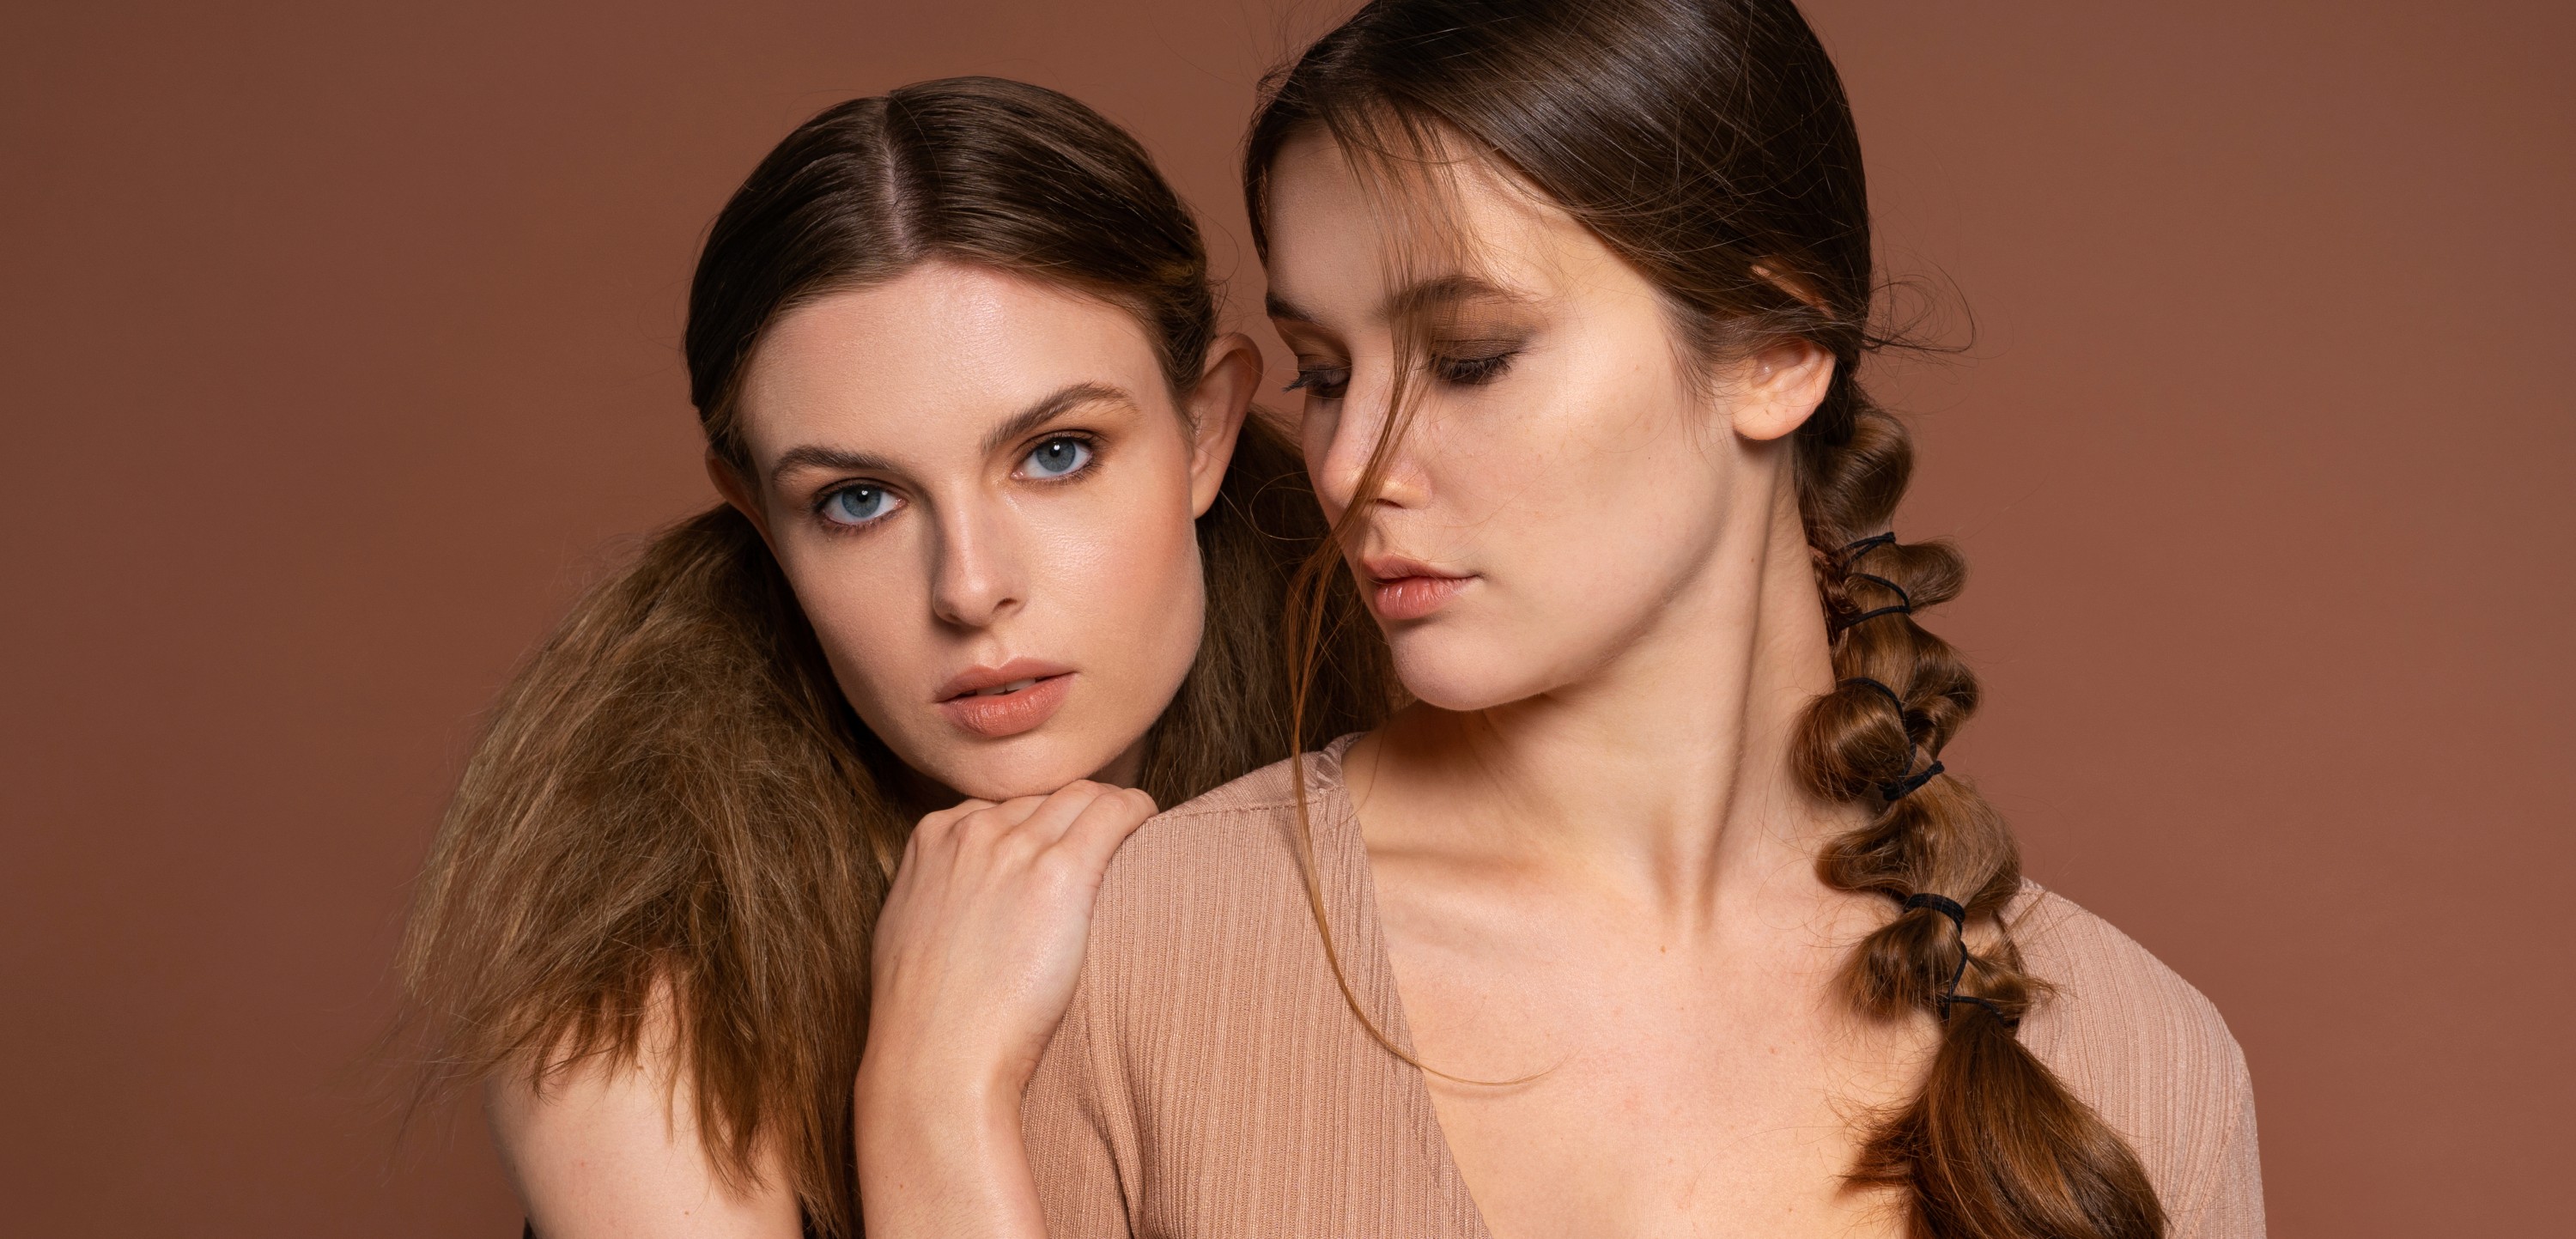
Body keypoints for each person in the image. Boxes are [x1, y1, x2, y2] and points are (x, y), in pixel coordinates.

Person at [873, 3, 2265, 1237]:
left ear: (1777, 351)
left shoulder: (2138, 1063)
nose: (1355, 463)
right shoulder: (1146, 965)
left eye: (1471, 359)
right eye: (1323, 371)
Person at [396, 76, 1387, 1239]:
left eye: (1058, 454)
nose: (970, 588)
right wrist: (928, 1094)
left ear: (1207, 428)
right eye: (859, 499)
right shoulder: (644, 978)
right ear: (760, 519)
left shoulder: (1398, 736)